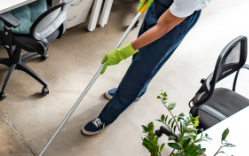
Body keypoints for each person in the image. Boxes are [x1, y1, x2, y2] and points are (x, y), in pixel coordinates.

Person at [81, 0, 209, 135]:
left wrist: (124, 51)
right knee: (141, 58)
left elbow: (163, 27)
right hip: (163, 6)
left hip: (175, 22)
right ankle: (137, 92)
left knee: (140, 70)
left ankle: (106, 118)